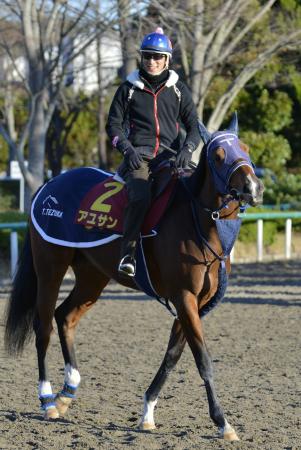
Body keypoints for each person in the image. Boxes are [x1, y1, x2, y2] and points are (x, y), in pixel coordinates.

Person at [106, 27, 201, 277]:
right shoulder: (128, 88)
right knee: (140, 197)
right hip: (140, 158)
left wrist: (188, 149)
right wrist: (127, 149)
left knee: (198, 191)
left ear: (167, 60)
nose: (152, 61)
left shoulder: (179, 89)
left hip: (172, 158)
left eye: (158, 57)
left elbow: (194, 127)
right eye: (147, 56)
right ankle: (127, 254)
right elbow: (113, 126)